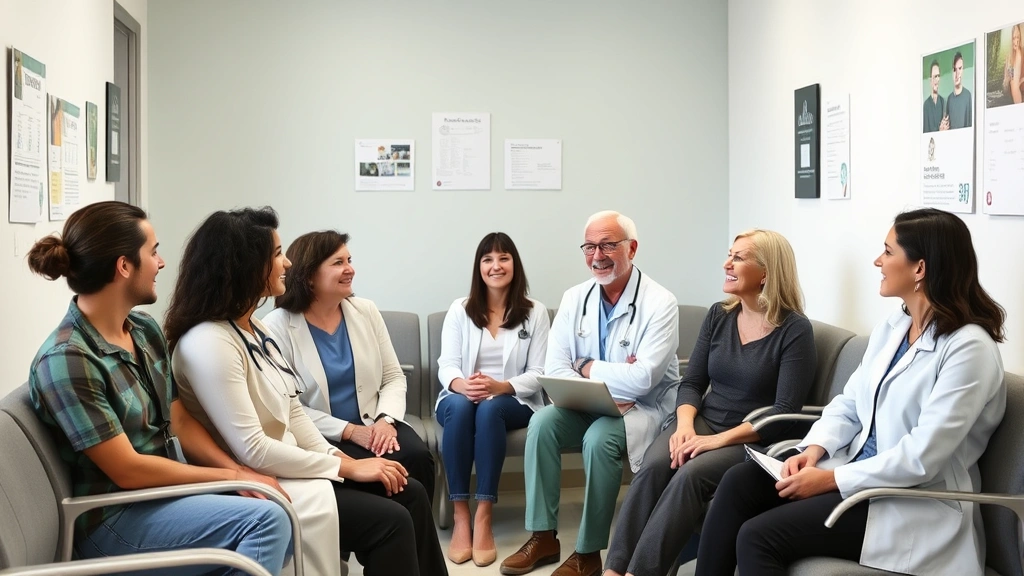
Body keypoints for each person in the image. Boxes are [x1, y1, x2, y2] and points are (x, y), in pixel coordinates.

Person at [696, 208, 1006, 576]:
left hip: (908, 500)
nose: (878, 260)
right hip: (855, 473)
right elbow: (849, 402)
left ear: (919, 268)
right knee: (739, 482)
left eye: (888, 252)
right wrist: (813, 451)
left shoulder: (969, 349)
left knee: (758, 536)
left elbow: (923, 457)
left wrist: (828, 479)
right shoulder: (895, 326)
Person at [165, 207, 447, 576]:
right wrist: (347, 465)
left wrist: (340, 460)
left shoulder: (254, 332)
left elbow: (294, 412)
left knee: (411, 493)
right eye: (278, 254)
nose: (287, 264)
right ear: (248, 265)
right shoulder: (209, 342)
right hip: (263, 481)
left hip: (292, 465)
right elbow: (253, 448)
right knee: (392, 519)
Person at [26, 201, 292, 574]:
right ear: (123, 266)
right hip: (114, 518)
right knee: (266, 521)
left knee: (274, 507)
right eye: (153, 252)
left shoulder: (144, 329)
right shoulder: (67, 360)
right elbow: (129, 471)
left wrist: (240, 472)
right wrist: (233, 477)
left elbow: (179, 421)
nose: (161, 263)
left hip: (161, 496)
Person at [603, 230, 816, 576]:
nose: (726, 263)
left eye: (738, 257)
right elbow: (693, 382)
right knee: (655, 466)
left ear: (766, 273)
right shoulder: (719, 315)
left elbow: (784, 414)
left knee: (689, 476)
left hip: (751, 438)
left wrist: (714, 441)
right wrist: (685, 427)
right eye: (729, 254)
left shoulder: (794, 331)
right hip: (702, 420)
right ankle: (613, 570)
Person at [500, 211, 680, 576]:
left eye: (608, 245)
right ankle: (543, 537)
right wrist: (613, 377)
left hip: (639, 408)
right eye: (590, 246)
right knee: (543, 423)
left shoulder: (660, 303)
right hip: (589, 401)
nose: (597, 254)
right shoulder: (574, 298)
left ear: (632, 248)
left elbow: (643, 380)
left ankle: (588, 553)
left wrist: (585, 366)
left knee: (599, 440)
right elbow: (555, 368)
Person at [262, 230, 435, 503]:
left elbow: (392, 377)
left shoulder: (365, 311)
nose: (350, 270)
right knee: (355, 485)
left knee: (417, 456)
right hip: (323, 436)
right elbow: (289, 406)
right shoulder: (276, 326)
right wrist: (350, 431)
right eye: (338, 263)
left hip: (376, 424)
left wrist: (385, 420)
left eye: (349, 260)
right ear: (308, 275)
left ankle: (414, 542)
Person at [435, 232, 551, 567]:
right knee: (459, 406)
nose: (495, 266)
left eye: (503, 258)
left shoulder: (535, 312)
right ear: (479, 267)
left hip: (513, 400)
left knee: (489, 410)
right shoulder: (460, 309)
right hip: (461, 395)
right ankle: (461, 515)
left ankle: (483, 514)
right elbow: (447, 364)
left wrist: (501, 387)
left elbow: (540, 372)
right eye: (488, 259)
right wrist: (460, 385)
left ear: (515, 264)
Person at [941, 52, 972, 130]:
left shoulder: (967, 96)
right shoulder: (949, 99)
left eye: (960, 68)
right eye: (955, 69)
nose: (957, 73)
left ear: (963, 70)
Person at [1002, 24, 1023, 105]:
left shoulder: (1021, 53)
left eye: (1018, 37)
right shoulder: (1009, 56)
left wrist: (1020, 81)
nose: (1016, 41)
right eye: (1014, 38)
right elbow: (1010, 77)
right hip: (1010, 95)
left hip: (1018, 96)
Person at [923, 60, 945, 133]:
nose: (937, 79)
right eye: (935, 76)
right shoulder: (926, 105)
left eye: (938, 76)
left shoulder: (943, 102)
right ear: (930, 80)